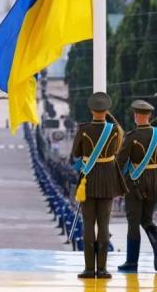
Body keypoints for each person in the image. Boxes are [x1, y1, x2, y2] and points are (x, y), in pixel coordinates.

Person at [71, 92, 126, 279]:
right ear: (106, 110)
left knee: (88, 224)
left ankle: (88, 269)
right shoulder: (115, 130)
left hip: (88, 179)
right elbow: (117, 150)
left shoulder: (83, 129)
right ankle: (102, 269)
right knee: (104, 224)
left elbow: (76, 153)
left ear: (91, 110)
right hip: (108, 178)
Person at [116, 100, 157, 272]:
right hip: (155, 181)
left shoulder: (132, 137)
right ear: (149, 116)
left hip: (136, 182)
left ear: (136, 116)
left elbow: (120, 162)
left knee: (133, 222)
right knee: (146, 219)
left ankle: (132, 261)